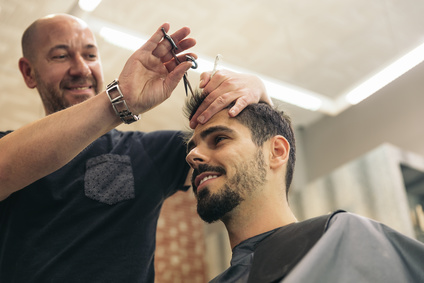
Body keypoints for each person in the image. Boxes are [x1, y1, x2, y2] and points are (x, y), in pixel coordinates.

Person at [0, 14, 272, 282]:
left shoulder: (149, 153)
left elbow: (259, 161)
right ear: (28, 72)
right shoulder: (10, 150)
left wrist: (259, 91)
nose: (81, 68)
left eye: (91, 55)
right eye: (61, 56)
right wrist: (119, 102)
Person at [184, 93, 424, 282]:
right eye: (191, 148)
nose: (193, 156)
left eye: (219, 139)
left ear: (277, 152)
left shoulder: (342, 236)